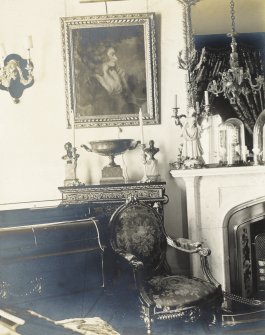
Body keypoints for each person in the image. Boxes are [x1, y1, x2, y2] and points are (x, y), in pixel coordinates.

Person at [77, 41, 139, 116]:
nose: (116, 58)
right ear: (102, 56)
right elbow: (83, 103)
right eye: (112, 54)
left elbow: (135, 90)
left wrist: (125, 78)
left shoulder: (117, 73)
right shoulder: (92, 82)